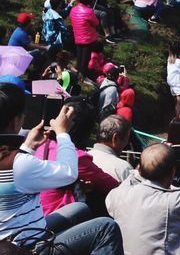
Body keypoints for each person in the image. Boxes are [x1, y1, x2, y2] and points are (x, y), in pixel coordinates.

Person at [0, 86, 125, 254]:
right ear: (15, 121)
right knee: (106, 228)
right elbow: (68, 172)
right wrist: (62, 133)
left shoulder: (12, 160)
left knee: (79, 209)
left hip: (12, 235)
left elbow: (14, 175)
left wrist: (29, 146)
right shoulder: (19, 164)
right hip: (25, 246)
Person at [106, 143, 180, 255]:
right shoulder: (175, 202)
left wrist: (149, 159)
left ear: (140, 169)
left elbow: (133, 177)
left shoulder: (117, 195)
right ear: (172, 172)